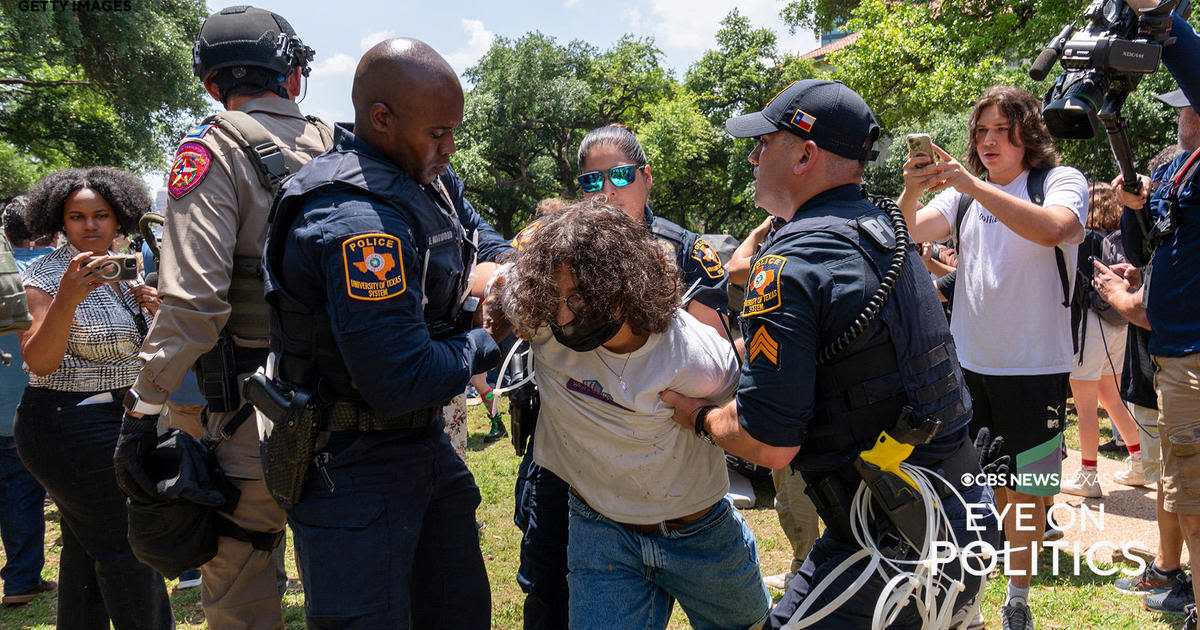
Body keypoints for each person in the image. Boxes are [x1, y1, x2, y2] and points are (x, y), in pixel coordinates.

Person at [660, 79, 997, 630]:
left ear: (805, 154)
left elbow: (767, 443)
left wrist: (698, 415)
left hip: (892, 542)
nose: (752, 155)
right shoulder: (883, 227)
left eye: (764, 142)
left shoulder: (791, 260)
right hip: (955, 513)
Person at [260, 38, 509, 628]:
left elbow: (479, 234)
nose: (450, 149)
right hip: (351, 466)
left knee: (458, 610)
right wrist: (495, 329)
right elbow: (401, 377)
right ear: (381, 119)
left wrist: (502, 269)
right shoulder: (355, 219)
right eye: (439, 134)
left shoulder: (424, 176)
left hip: (422, 449)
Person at [110, 7, 331, 628]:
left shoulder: (210, 151)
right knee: (358, 577)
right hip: (356, 402)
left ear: (210, 84)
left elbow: (195, 304)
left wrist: (142, 410)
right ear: (293, 74)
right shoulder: (345, 147)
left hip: (252, 414)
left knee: (244, 573)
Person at [496, 200, 770, 629]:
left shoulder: (693, 358)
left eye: (581, 299)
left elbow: (755, 408)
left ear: (623, 286)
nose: (565, 316)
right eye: (557, 298)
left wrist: (704, 417)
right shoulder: (542, 320)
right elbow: (497, 284)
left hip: (700, 534)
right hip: (600, 530)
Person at [898, 84, 1088, 630]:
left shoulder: (1058, 181)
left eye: (1002, 131)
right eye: (981, 131)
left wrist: (972, 186)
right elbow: (907, 231)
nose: (988, 141)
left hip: (1035, 366)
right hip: (968, 366)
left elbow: (1055, 228)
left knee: (1027, 491)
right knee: (969, 485)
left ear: (1029, 133)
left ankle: (1019, 596)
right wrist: (913, 191)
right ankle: (970, 596)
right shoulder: (961, 194)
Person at [14, 167, 172, 629]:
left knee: (87, 551)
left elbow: (137, 352)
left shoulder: (128, 270)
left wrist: (158, 313)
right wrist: (67, 297)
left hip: (120, 419)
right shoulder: (44, 275)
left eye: (100, 215)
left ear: (118, 218)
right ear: (59, 221)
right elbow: (39, 361)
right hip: (66, 424)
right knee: (128, 549)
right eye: (76, 216)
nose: (89, 226)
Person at [1117, 6, 1200, 622]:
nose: (1184, 112)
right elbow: (1153, 243)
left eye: (1191, 103)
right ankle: (1171, 575)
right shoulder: (1177, 166)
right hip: (1170, 348)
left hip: (1191, 352)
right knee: (1177, 482)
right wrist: (1133, 208)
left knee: (1195, 494)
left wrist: (1163, 20)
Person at [1060, 182, 1145, 497]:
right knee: (1110, 396)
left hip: (1089, 326)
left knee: (1084, 406)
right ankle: (1140, 461)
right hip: (1118, 322)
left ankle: (1088, 475)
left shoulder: (1085, 238)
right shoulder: (1122, 238)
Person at [0, 199, 55, 607]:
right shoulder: (57, 272)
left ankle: (22, 579)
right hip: (38, 404)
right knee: (25, 492)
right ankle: (21, 579)